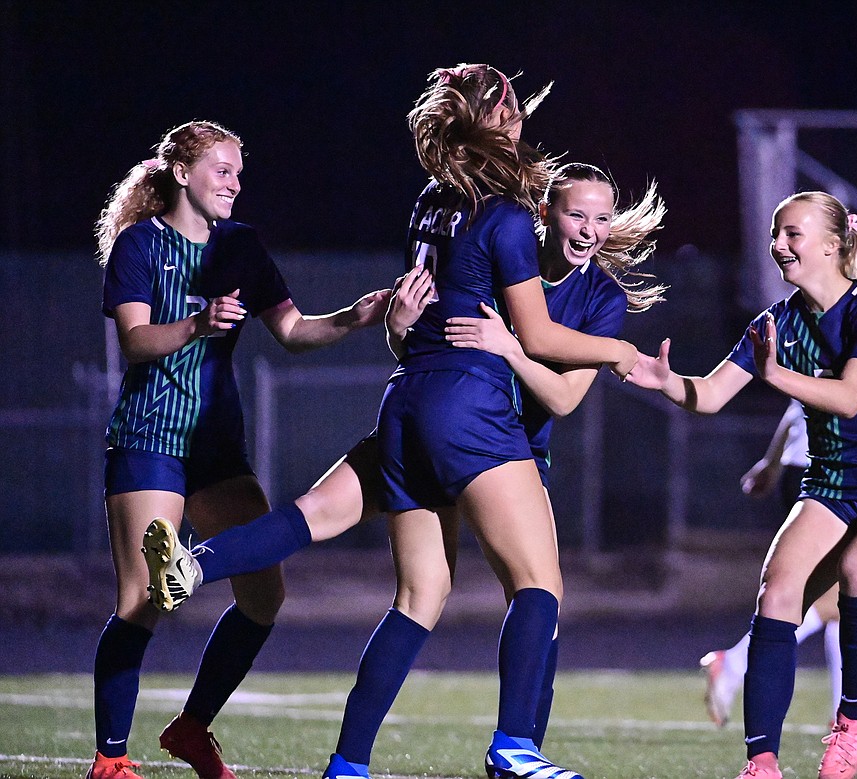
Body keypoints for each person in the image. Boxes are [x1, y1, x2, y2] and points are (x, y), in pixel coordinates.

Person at [143, 67, 644, 779]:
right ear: (493, 122)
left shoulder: (430, 201)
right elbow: (534, 333)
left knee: (413, 590)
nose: (521, 123)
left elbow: (426, 314)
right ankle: (514, 747)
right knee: (538, 584)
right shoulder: (502, 214)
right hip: (468, 408)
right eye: (513, 111)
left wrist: (407, 327)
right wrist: (620, 352)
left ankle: (335, 746)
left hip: (407, 396)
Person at [89, 120, 390, 779]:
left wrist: (355, 316)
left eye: (238, 172)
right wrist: (198, 322)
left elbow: (292, 330)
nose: (235, 182)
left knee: (264, 594)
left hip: (217, 446)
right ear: (181, 173)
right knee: (143, 597)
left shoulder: (242, 247)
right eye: (221, 169)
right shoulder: (142, 245)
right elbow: (136, 341)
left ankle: (192, 726)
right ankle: (110, 759)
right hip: (150, 436)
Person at [624, 192, 857, 779]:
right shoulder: (774, 323)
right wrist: (668, 383)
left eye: (792, 234)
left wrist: (777, 375)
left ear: (831, 244)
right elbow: (713, 394)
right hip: (829, 483)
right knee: (776, 596)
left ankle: (850, 726)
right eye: (776, 234)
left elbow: (850, 399)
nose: (778, 245)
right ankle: (762, 764)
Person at [701, 234, 857, 738]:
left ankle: (848, 711)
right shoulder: (843, 313)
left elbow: (803, 398)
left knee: (839, 602)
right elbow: (815, 398)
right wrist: (775, 460)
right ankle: (738, 663)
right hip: (823, 470)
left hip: (821, 464)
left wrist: (771, 460)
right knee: (822, 597)